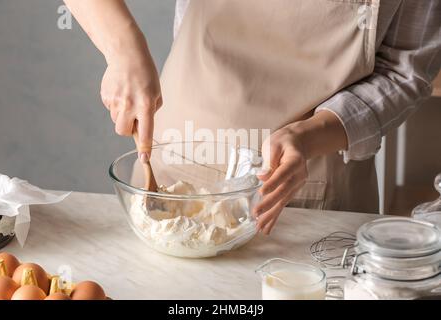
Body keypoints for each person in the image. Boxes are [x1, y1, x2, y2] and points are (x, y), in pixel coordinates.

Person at [64, 0, 441, 234]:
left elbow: (404, 70)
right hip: (177, 154)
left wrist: (308, 136)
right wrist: (124, 50)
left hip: (314, 176)